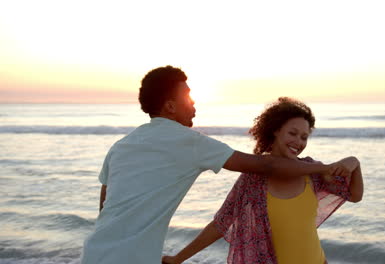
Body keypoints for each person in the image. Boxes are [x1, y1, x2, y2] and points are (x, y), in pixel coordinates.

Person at [80, 66, 352, 264]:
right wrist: (322, 167)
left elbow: (105, 205)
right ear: (171, 106)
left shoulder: (121, 146)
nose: (194, 102)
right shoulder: (189, 142)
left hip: (93, 253)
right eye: (188, 95)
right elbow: (266, 167)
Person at [162, 97, 364, 264]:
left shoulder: (312, 171)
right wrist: (178, 258)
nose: (298, 142)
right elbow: (220, 224)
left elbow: (354, 195)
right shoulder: (253, 179)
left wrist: (355, 162)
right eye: (292, 133)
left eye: (304, 137)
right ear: (275, 130)